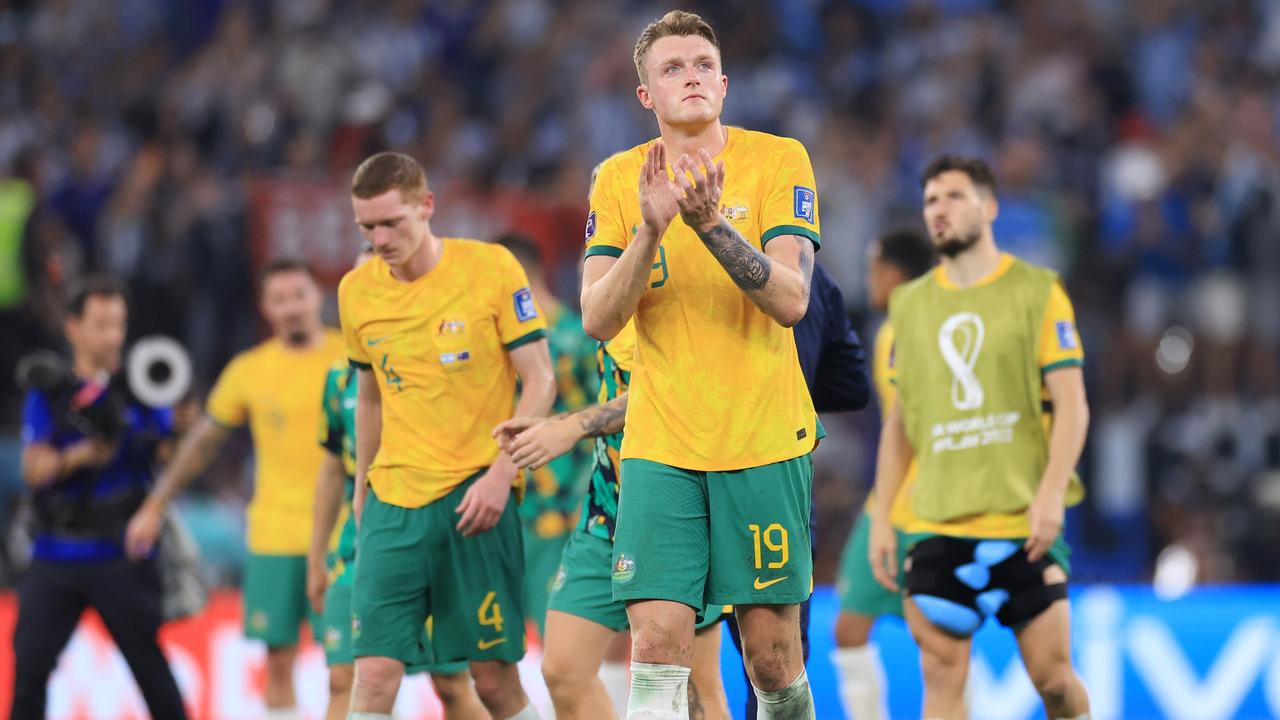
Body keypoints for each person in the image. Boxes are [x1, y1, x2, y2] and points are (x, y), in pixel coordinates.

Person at [581, 10, 822, 717]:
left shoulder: (779, 159)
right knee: (656, 646)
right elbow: (598, 319)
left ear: (723, 81)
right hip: (661, 443)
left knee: (772, 659)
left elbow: (791, 300)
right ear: (645, 97)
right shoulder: (618, 180)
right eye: (670, 69)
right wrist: (650, 229)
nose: (690, 76)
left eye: (700, 65)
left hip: (761, 436)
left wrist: (710, 225)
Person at [868, 155, 1092, 720]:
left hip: (1024, 522)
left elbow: (1072, 404)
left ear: (990, 208)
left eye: (953, 197)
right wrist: (884, 517)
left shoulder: (1038, 291)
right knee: (941, 678)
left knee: (1057, 683)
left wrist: (1049, 496)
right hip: (937, 523)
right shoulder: (909, 305)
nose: (937, 211)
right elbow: (901, 422)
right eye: (929, 202)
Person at [339, 151, 555, 720]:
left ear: (427, 206)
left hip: (476, 496)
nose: (380, 239)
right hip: (393, 501)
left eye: (392, 223)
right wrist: (361, 487)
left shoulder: (491, 269)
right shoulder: (356, 293)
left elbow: (541, 381)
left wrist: (503, 475)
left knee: (493, 680)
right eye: (367, 227)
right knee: (374, 676)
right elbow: (368, 398)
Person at [126, 259, 346, 719]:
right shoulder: (250, 370)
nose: (291, 308)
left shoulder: (351, 357)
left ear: (318, 298)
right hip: (272, 536)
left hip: (342, 538)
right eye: (279, 299)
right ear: (265, 308)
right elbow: (204, 443)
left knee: (345, 669)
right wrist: (155, 503)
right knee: (278, 662)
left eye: (299, 295)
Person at [495, 317, 733, 720]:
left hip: (679, 513)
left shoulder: (682, 295)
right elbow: (623, 393)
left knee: (696, 688)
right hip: (606, 510)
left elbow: (670, 388)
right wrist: (552, 426)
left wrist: (570, 427)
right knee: (563, 671)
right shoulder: (607, 314)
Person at [307, 244, 486, 720]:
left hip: (435, 533)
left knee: (452, 683)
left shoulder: (447, 362)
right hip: (360, 542)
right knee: (346, 676)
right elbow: (331, 469)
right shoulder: (338, 380)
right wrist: (315, 557)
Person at [12, 276, 188, 720]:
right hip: (55, 554)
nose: (112, 336)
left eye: (118, 325)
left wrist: (179, 426)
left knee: (153, 675)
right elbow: (33, 470)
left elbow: (172, 459)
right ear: (73, 327)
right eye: (101, 324)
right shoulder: (50, 392)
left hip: (121, 556)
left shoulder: (142, 384)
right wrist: (83, 453)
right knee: (29, 672)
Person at [831, 229, 936, 720]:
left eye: (873, 268)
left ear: (893, 274)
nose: (867, 278)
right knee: (850, 628)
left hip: (933, 508)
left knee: (937, 641)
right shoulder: (888, 330)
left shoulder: (919, 328)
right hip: (887, 504)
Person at [493, 232, 598, 640]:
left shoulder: (574, 340)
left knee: (561, 646)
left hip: (559, 511)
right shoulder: (498, 340)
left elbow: (609, 418)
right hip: (509, 504)